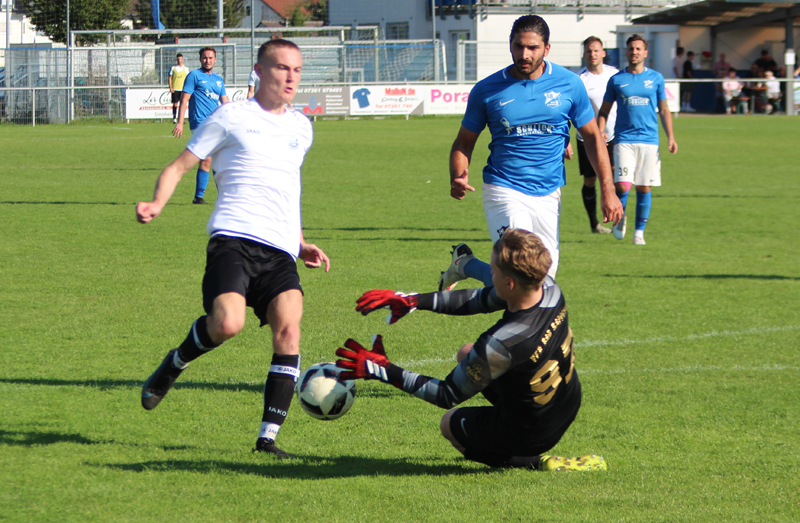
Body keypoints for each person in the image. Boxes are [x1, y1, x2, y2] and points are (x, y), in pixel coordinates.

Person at [136, 39, 330, 458]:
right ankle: (175, 362)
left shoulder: (302, 127)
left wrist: (299, 242)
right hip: (233, 240)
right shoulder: (231, 117)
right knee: (227, 324)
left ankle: (268, 440)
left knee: (290, 331)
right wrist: (156, 203)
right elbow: (179, 166)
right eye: (281, 68)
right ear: (260, 71)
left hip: (279, 250)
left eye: (296, 69)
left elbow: (287, 190)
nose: (291, 77)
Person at [340, 229, 606, 471]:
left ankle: (535, 462)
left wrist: (383, 369)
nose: (490, 275)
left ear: (510, 283)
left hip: (533, 432)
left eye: (493, 271)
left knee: (450, 423)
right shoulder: (548, 288)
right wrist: (412, 300)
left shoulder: (503, 344)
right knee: (466, 352)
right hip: (566, 401)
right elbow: (479, 299)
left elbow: (446, 394)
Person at [439, 15, 622, 291]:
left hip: (549, 193)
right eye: (518, 46)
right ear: (510, 46)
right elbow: (464, 142)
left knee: (542, 283)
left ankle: (464, 265)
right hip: (504, 188)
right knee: (520, 270)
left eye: (532, 48)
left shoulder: (569, 84)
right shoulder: (487, 90)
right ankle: (502, 332)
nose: (524, 54)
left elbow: (594, 137)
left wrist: (608, 190)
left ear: (546, 48)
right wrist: (457, 174)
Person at [598, 34, 678, 246]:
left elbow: (664, 109)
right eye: (631, 48)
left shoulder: (656, 78)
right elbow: (604, 111)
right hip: (624, 138)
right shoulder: (617, 80)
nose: (634, 52)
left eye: (638, 49)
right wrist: (600, 133)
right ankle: (619, 217)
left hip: (649, 140)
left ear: (645, 52)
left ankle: (639, 232)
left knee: (643, 187)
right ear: (627, 52)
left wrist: (671, 137)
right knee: (623, 186)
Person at [174, 47, 230, 205]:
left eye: (210, 57)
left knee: (212, 159)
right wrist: (180, 122)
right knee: (209, 157)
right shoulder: (194, 76)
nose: (208, 60)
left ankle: (202, 197)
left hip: (216, 123)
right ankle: (205, 197)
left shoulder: (218, 80)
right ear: (200, 59)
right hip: (199, 122)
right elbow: (185, 100)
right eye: (205, 58)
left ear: (215, 59)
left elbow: (225, 102)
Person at [575, 36, 619, 235]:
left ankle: (618, 219)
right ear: (584, 55)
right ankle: (595, 224)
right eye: (588, 51)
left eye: (595, 50)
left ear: (603, 53)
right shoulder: (579, 80)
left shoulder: (614, 75)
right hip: (588, 139)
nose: (592, 54)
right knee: (591, 180)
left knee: (614, 177)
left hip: (614, 135)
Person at [168, 53, 188, 124]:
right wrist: (171, 87)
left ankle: (182, 118)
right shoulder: (173, 68)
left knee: (183, 104)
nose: (179, 60)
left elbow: (188, 79)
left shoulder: (186, 69)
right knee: (175, 104)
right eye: (178, 59)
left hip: (183, 89)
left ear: (182, 59)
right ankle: (174, 118)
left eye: (180, 59)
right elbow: (170, 78)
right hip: (175, 89)